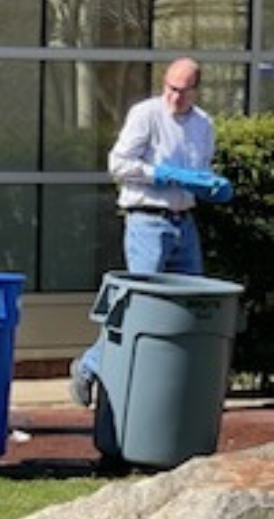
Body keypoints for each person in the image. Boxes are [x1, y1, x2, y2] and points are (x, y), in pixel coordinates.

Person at [69, 57, 231, 407]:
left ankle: (176, 382)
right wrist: (160, 174)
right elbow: (119, 163)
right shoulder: (146, 114)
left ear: (195, 90)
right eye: (170, 88)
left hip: (183, 221)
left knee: (192, 302)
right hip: (147, 220)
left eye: (183, 91)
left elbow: (200, 171)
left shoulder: (203, 124)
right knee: (137, 304)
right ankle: (90, 366)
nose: (175, 97)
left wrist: (207, 185)